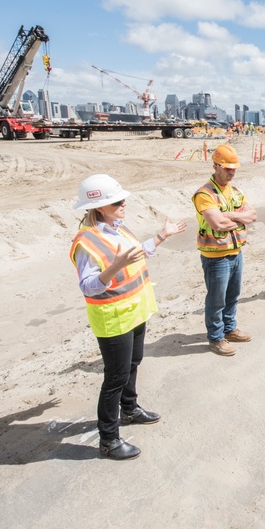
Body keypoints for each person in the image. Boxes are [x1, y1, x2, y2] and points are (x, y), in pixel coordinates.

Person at [70, 174, 187, 460]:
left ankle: (130, 409)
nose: (124, 203)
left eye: (123, 199)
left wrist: (162, 236)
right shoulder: (87, 240)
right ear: (99, 206)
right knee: (115, 377)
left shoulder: (117, 228)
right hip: (112, 317)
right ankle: (108, 439)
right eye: (117, 201)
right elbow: (88, 285)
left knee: (134, 362)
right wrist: (114, 267)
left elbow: (135, 255)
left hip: (134, 310)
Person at [193, 144, 257, 357]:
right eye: (227, 167)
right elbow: (217, 224)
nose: (232, 171)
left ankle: (229, 329)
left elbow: (252, 216)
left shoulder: (236, 191)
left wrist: (227, 215)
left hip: (236, 252)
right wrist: (238, 217)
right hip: (215, 257)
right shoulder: (204, 194)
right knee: (216, 299)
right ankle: (216, 337)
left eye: (234, 168)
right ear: (215, 166)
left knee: (233, 295)